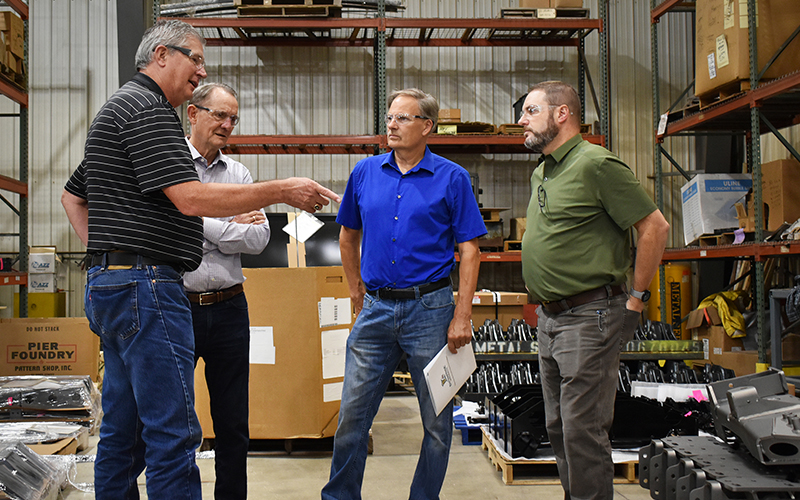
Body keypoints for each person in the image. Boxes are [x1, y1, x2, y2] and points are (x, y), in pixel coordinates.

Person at [60, 20, 338, 500]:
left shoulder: (120, 109)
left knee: (123, 434)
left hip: (119, 284)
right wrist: (282, 190)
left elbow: (72, 196)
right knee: (173, 435)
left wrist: (109, 255)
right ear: (162, 55)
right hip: (147, 288)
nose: (201, 70)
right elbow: (190, 199)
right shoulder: (149, 111)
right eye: (195, 58)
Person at [321, 88, 486, 500]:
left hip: (430, 311)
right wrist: (356, 291)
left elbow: (470, 251)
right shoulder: (365, 173)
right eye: (390, 118)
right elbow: (347, 236)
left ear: (426, 126)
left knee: (436, 424)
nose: (391, 126)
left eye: (403, 119)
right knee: (351, 419)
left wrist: (461, 315)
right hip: (376, 309)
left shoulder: (452, 178)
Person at [518, 81, 669, 500]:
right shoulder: (543, 170)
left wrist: (636, 298)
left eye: (531, 111)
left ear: (562, 114)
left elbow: (654, 227)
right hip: (550, 318)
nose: (521, 121)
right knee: (559, 426)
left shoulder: (596, 165)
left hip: (590, 316)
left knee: (582, 429)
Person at [182, 82, 267, 500]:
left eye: (233, 118)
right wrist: (230, 223)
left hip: (232, 309)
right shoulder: (171, 163)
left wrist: (200, 220)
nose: (228, 124)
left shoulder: (239, 174)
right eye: (220, 115)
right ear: (193, 114)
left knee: (233, 423)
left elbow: (260, 240)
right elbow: (178, 222)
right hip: (178, 308)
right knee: (176, 421)